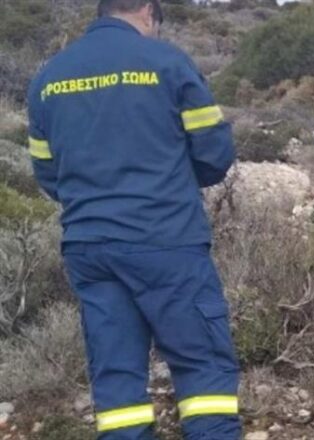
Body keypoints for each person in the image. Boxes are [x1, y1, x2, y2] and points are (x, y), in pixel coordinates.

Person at [27, 0, 239, 438]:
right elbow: (215, 154)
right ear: (147, 11)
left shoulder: (49, 78)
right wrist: (174, 181)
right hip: (166, 240)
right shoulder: (167, 62)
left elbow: (48, 174)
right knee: (201, 367)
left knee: (117, 380)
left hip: (90, 248)